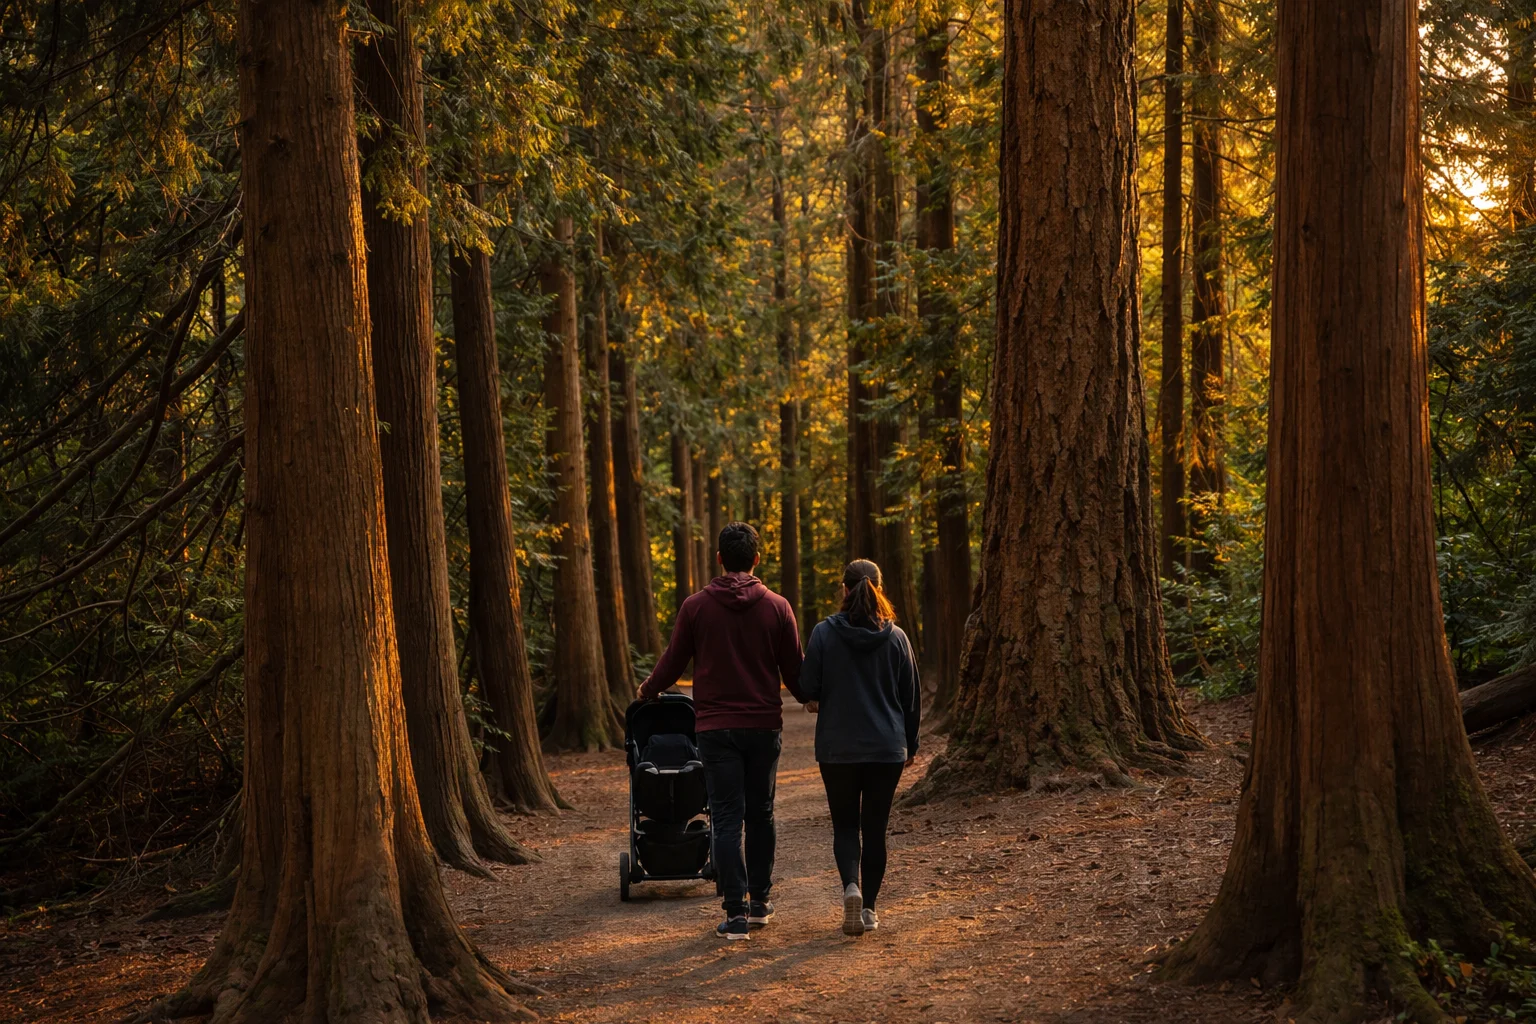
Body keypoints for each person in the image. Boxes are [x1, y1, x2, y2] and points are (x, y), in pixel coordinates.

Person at [637, 522, 805, 941]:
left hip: (715, 728)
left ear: (718, 558)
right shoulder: (778, 607)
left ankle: (735, 915)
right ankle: (761, 903)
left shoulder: (696, 607)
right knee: (761, 814)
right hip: (763, 726)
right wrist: (813, 694)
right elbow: (795, 671)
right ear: (756, 559)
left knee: (727, 819)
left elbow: (674, 660)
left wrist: (649, 689)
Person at [800, 559, 920, 936]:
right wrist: (911, 744)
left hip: (838, 748)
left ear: (844, 589)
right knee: (876, 828)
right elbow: (911, 698)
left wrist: (815, 697)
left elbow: (807, 688)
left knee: (846, 826)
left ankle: (850, 886)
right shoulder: (897, 638)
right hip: (887, 749)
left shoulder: (823, 633)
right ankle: (868, 908)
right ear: (879, 588)